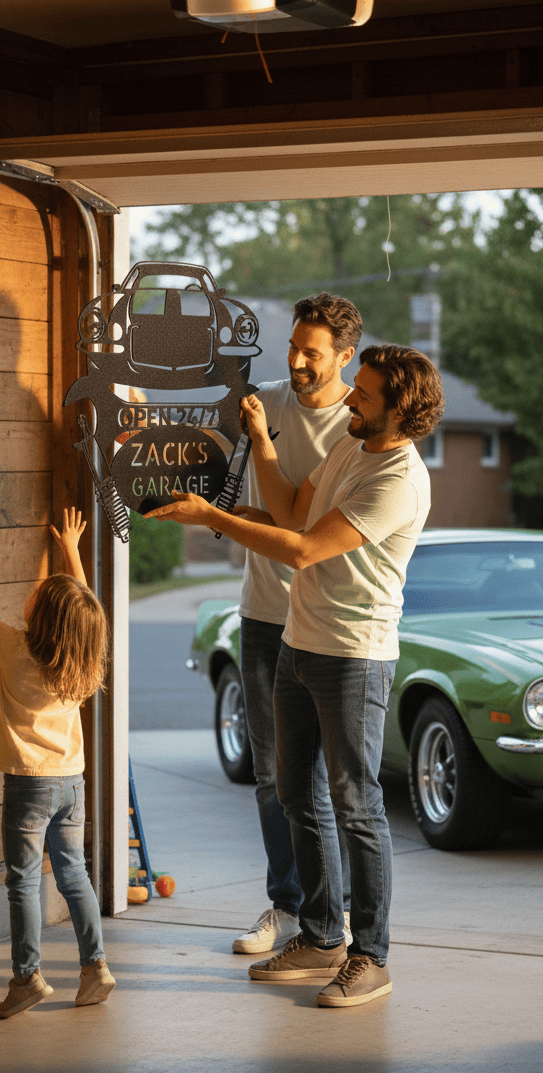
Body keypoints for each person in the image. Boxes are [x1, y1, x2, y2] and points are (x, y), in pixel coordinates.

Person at [146, 343, 444, 1007]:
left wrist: (214, 519)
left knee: (356, 804)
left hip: (353, 655)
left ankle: (371, 954)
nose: (350, 400)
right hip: (298, 642)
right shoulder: (350, 444)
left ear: (400, 409)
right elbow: (288, 514)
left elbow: (307, 549)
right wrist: (216, 496)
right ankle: (319, 935)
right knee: (295, 793)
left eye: (363, 394)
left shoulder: (397, 477)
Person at [231, 292, 359, 957]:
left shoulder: (355, 428)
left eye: (312, 352)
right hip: (262, 615)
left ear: (345, 357)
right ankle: (287, 907)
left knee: (328, 787)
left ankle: (326, 917)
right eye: (293, 346)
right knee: (272, 774)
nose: (298, 361)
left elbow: (295, 525)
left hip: (324, 627)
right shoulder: (266, 401)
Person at [0, 507, 116, 1019]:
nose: (31, 589)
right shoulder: (85, 653)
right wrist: (71, 548)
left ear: (39, 617)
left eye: (37, 592)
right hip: (72, 783)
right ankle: (96, 967)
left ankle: (26, 978)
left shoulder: (16, 648)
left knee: (23, 880)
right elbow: (85, 606)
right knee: (75, 875)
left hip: (28, 785)